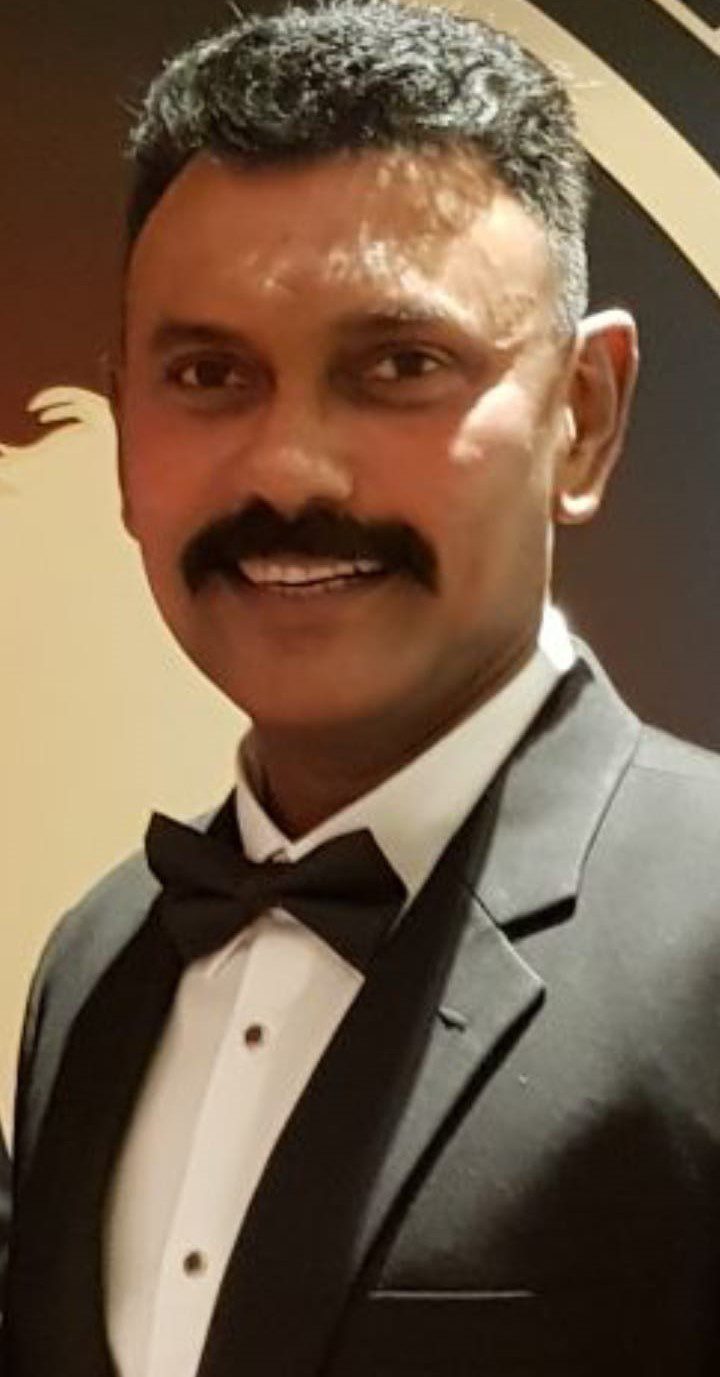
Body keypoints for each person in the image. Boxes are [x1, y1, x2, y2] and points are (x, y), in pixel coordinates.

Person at [5, 3, 720, 1373]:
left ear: (584, 414)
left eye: (399, 366)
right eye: (208, 373)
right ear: (125, 429)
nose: (289, 470)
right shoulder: (92, 960)